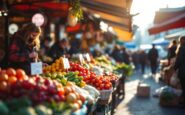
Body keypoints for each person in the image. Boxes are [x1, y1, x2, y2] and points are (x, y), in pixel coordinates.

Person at [174, 36, 185, 106]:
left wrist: (175, 68)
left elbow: (179, 60)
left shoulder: (181, 48)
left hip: (183, 71)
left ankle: (183, 102)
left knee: (184, 87)